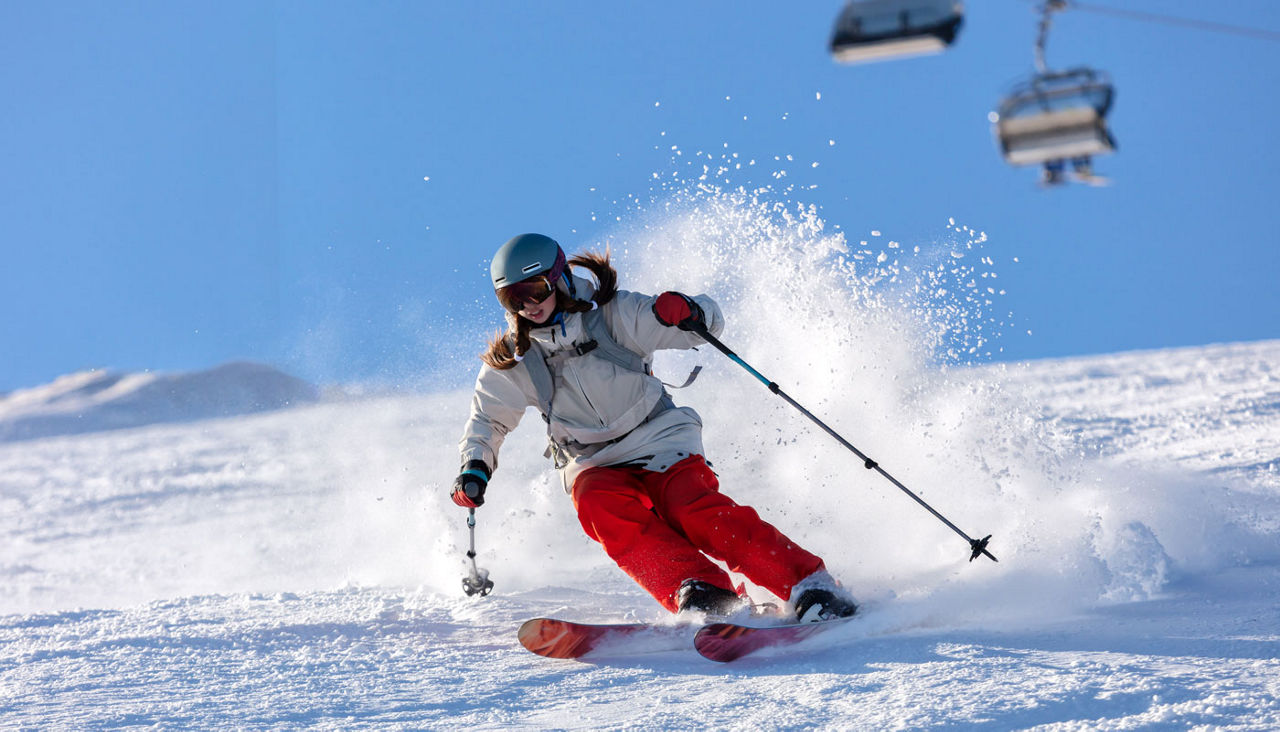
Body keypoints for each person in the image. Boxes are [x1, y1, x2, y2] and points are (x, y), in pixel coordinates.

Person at [452, 233, 857, 622]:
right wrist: (475, 466)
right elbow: (488, 419)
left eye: (536, 289)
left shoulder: (613, 315)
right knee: (600, 508)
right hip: (591, 460)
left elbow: (707, 323)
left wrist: (687, 312)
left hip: (658, 437)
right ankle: (702, 591)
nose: (528, 305)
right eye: (513, 297)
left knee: (693, 510)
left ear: (558, 278)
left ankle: (809, 585)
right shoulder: (515, 358)